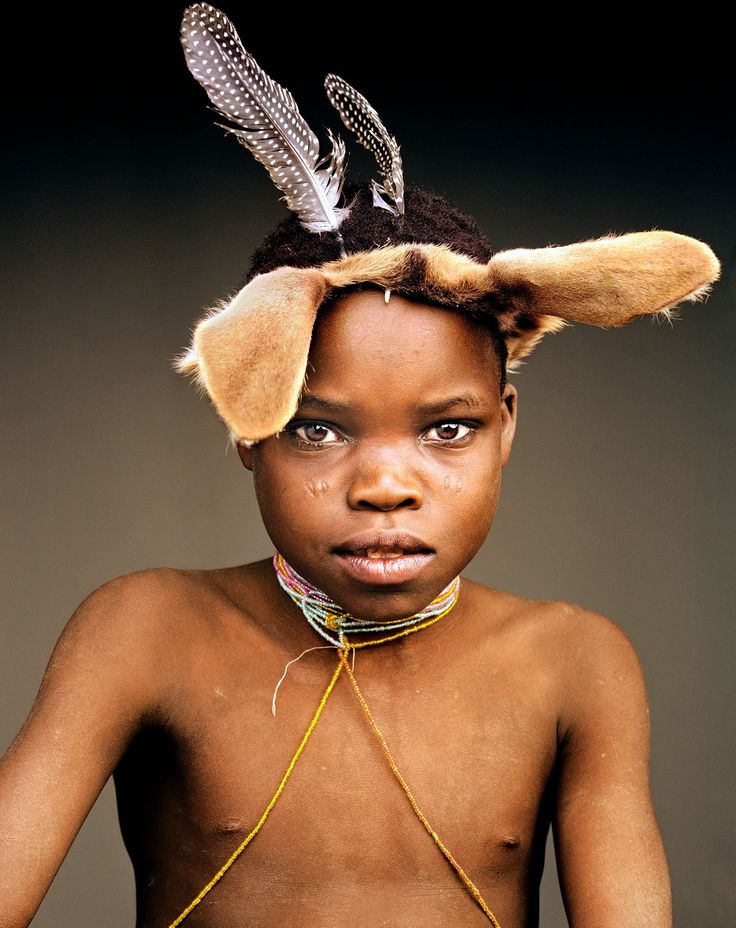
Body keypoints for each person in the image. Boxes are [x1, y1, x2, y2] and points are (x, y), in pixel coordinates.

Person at [0, 5, 721, 927]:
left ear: (506, 426)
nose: (384, 485)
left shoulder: (577, 661)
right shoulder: (144, 631)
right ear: (245, 428)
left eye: (447, 431)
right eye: (318, 430)